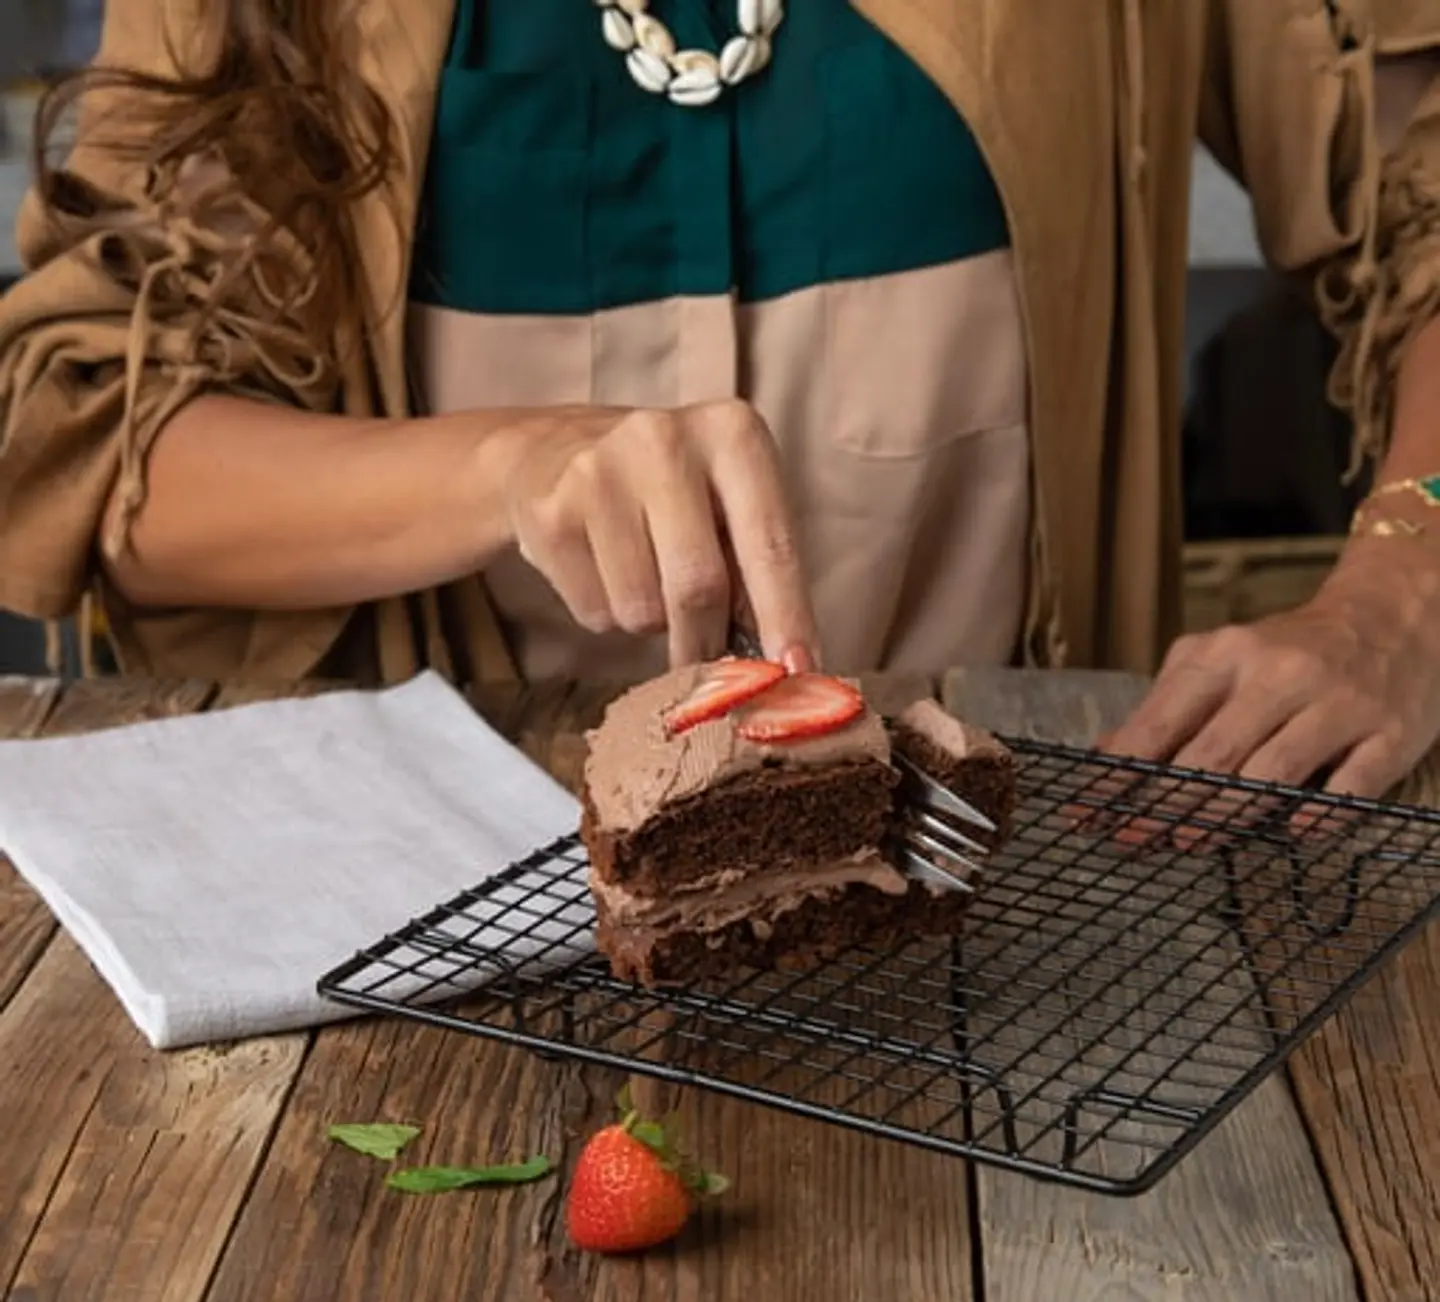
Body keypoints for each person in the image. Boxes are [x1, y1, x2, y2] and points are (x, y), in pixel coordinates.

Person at [2, 0, 1440, 803]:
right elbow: (82, 435)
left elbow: (1425, 192)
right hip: (420, 963)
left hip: (1017, 908)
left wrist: (1405, 583)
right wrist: (501, 465)